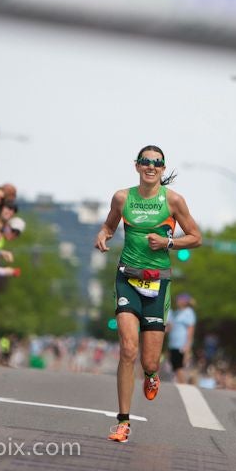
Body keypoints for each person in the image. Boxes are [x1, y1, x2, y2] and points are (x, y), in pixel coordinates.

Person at [94, 144, 202, 443]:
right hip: (127, 278)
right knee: (128, 349)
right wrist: (102, 235)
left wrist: (168, 244)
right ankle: (123, 422)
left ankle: (152, 374)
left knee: (149, 362)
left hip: (158, 284)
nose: (151, 166)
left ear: (163, 169)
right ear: (137, 166)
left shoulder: (174, 201)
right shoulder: (122, 197)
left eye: (157, 163)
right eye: (145, 162)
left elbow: (196, 237)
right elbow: (109, 225)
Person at [167, 293, 197, 383]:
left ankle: (184, 385)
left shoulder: (189, 312)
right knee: (175, 366)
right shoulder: (175, 313)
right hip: (173, 344)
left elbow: (190, 330)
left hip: (182, 344)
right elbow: (169, 328)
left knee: (179, 366)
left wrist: (188, 345)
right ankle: (182, 383)